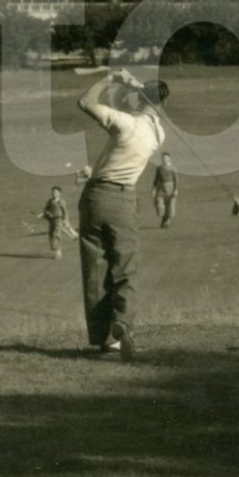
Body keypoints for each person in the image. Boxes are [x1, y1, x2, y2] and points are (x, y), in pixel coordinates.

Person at [76, 68, 168, 359]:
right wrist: (138, 90)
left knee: (95, 269)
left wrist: (111, 79)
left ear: (138, 99)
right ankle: (121, 325)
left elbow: (86, 102)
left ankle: (104, 339)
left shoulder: (125, 123)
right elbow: (145, 113)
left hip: (93, 197)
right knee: (125, 267)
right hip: (123, 198)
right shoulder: (158, 133)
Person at [40, 185, 70, 259]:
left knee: (56, 235)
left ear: (59, 193)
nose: (54, 193)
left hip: (58, 221)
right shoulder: (50, 201)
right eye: (53, 192)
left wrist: (65, 221)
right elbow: (46, 209)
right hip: (51, 221)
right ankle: (57, 250)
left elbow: (65, 212)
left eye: (56, 192)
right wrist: (44, 214)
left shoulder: (62, 202)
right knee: (51, 235)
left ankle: (58, 253)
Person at [151, 152, 178, 228]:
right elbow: (156, 179)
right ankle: (164, 218)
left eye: (166, 158)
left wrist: (175, 190)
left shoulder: (173, 168)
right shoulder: (159, 168)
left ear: (169, 158)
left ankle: (166, 221)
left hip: (170, 187)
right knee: (159, 203)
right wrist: (154, 189)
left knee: (169, 205)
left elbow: (176, 180)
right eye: (163, 158)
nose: (164, 159)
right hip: (161, 187)